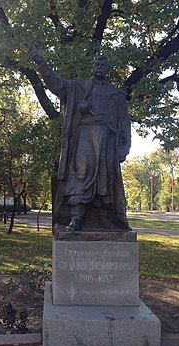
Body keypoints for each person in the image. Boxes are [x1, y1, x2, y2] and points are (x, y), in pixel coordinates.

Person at [28, 45, 131, 231]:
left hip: (107, 142)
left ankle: (104, 220)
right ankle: (76, 218)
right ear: (93, 67)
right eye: (97, 64)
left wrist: (124, 147)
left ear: (108, 69)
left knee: (104, 181)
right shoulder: (79, 88)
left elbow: (124, 124)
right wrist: (41, 64)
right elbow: (56, 84)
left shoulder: (116, 95)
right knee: (81, 175)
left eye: (103, 64)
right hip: (84, 136)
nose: (99, 66)